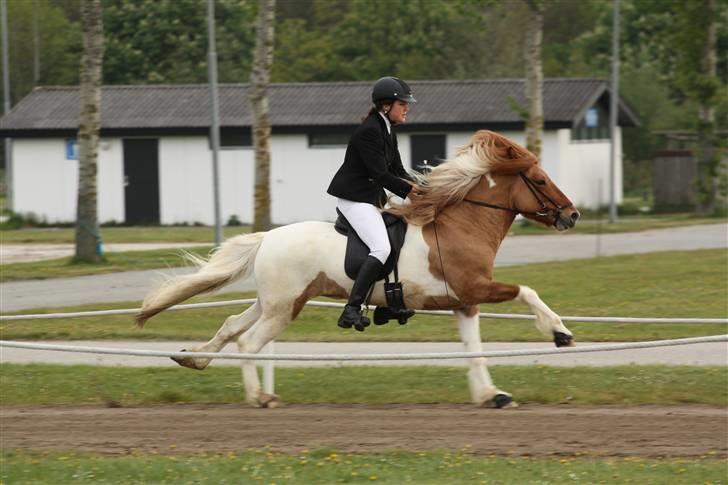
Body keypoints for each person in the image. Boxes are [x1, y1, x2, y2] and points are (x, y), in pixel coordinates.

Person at [327, 76, 424, 330]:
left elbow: (398, 169)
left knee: (396, 236)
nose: (407, 108)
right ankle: (351, 309)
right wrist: (410, 191)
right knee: (381, 248)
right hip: (354, 199)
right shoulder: (370, 131)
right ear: (385, 106)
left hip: (369, 198)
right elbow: (381, 174)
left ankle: (386, 306)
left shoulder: (387, 129)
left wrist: (422, 187)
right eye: (403, 103)